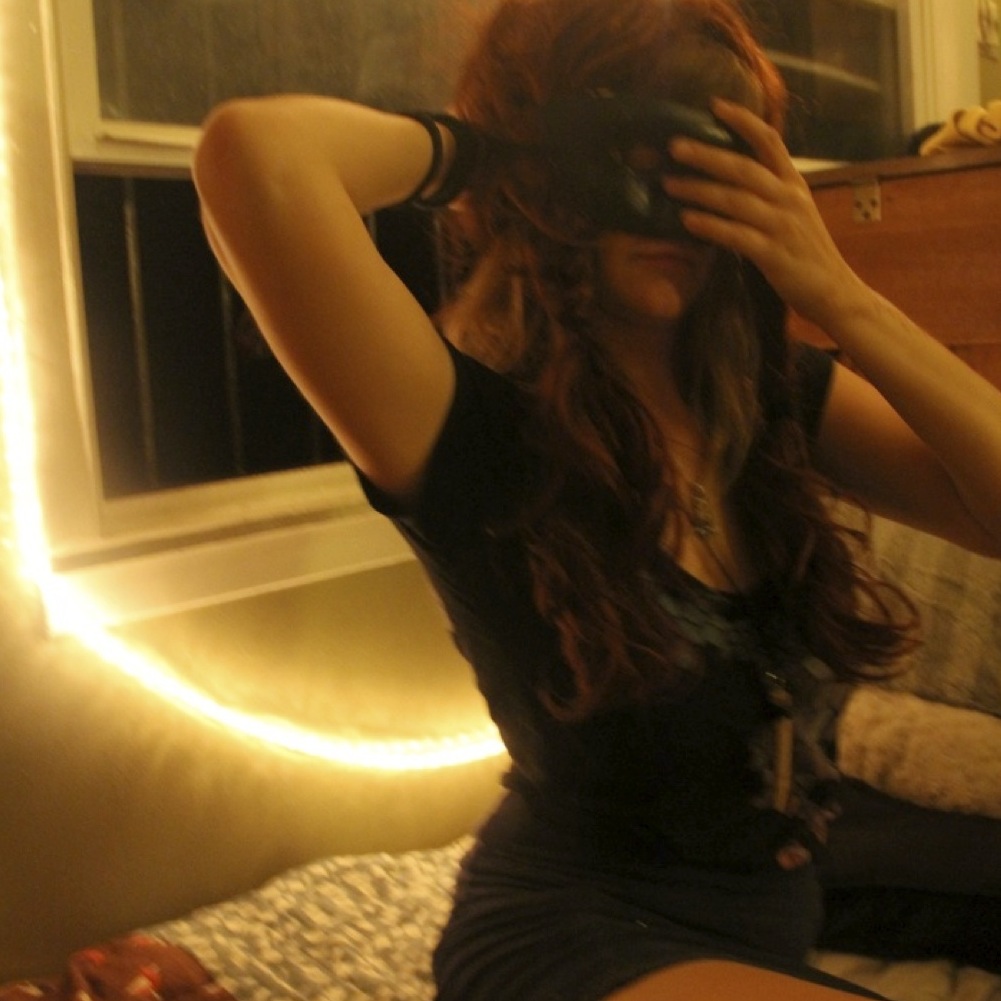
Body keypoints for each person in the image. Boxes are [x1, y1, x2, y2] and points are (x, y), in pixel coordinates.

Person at [192, 0, 1001, 998]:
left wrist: (839, 293)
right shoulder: (470, 429)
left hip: (765, 930)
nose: (669, 204)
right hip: (571, 939)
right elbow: (253, 158)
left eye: (706, 166)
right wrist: (506, 149)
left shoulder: (768, 396)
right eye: (632, 157)